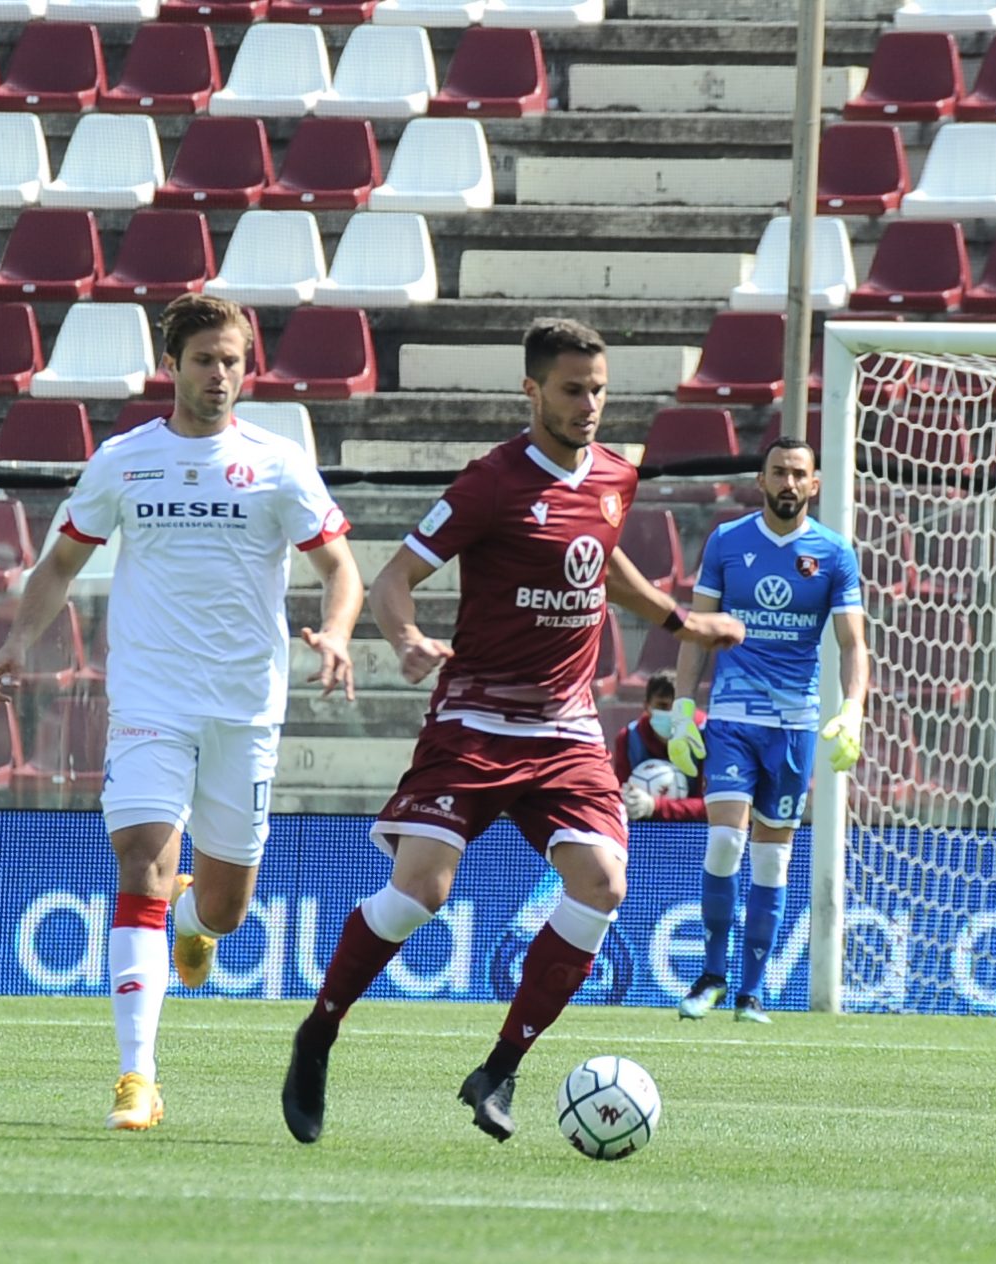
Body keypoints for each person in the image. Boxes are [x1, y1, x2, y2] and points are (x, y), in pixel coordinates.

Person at [280, 317, 745, 1145]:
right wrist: (407, 638)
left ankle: (499, 1070)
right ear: (531, 390)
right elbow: (393, 579)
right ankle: (319, 1029)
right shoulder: (490, 483)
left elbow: (603, 559)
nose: (589, 405)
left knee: (603, 884)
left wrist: (681, 620)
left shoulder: (616, 474)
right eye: (573, 390)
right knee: (422, 892)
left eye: (599, 390)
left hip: (566, 726)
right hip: (476, 719)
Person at [0, 293, 362, 1132]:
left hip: (245, 707)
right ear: (172, 366)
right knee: (139, 868)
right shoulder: (125, 460)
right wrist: (15, 644)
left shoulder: (278, 462)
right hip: (150, 698)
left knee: (225, 910)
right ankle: (136, 1077)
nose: (219, 375)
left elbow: (341, 567)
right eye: (204, 360)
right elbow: (60, 564)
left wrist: (335, 632)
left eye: (232, 361)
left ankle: (195, 918)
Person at [668, 436, 870, 1023]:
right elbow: (697, 629)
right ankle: (711, 975)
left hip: (795, 724)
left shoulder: (834, 553)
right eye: (778, 471)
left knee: (771, 862)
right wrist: (682, 706)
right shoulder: (727, 542)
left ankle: (751, 993)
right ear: (760, 480)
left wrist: (852, 709)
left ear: (815, 484)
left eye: (799, 473)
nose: (788, 482)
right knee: (725, 841)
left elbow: (853, 643)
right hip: (733, 716)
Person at [610, 668, 708, 823]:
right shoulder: (628, 739)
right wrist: (630, 802)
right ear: (647, 706)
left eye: (678, 707)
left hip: (698, 832)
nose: (671, 714)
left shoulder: (707, 737)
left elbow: (714, 806)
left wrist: (654, 806)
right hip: (643, 830)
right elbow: (620, 796)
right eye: (662, 706)